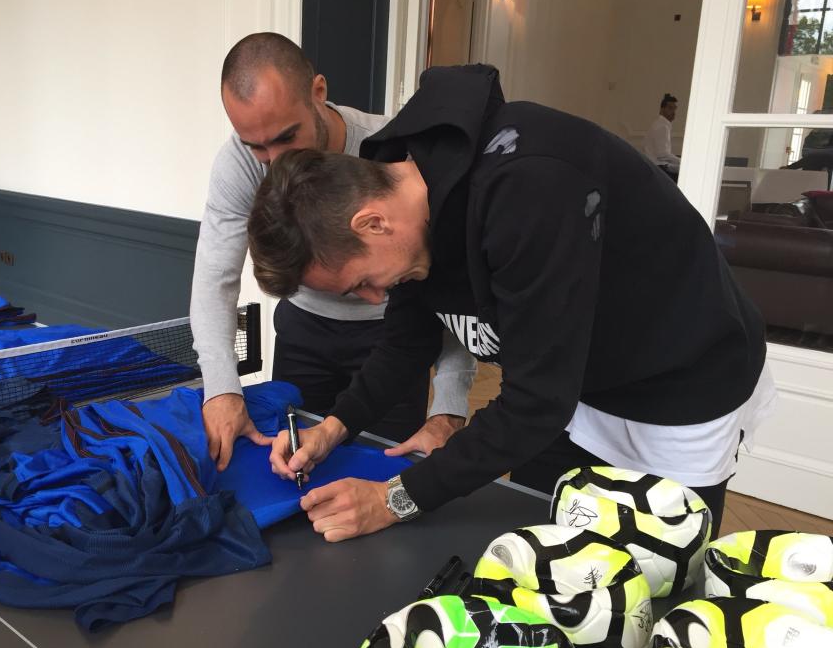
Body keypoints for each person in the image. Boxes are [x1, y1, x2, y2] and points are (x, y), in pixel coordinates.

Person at [247, 64, 775, 543]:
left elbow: (534, 403)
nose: (374, 296)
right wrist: (332, 429)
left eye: (361, 281)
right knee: (534, 552)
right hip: (575, 389)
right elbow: (406, 344)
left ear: (373, 223)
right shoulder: (399, 204)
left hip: (682, 383)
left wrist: (394, 499)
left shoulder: (530, 187)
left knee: (659, 576)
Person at [189, 33, 476, 472]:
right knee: (295, 466)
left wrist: (449, 402)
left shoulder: (390, 150)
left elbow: (451, 279)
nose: (273, 161)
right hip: (304, 334)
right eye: (256, 146)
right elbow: (215, 276)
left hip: (395, 338)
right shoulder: (243, 164)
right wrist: (223, 388)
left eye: (287, 137)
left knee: (385, 477)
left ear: (318, 94)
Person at [643, 93, 681, 180]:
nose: (673, 112)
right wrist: (681, 162)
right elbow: (662, 155)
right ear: (662, 109)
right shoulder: (662, 126)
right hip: (658, 167)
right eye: (670, 108)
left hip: (656, 165)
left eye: (675, 109)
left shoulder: (661, 124)